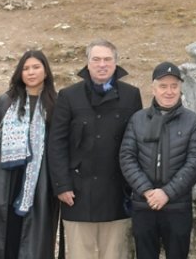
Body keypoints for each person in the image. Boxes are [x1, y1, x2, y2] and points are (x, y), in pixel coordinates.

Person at [47, 39, 142, 259]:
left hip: (117, 192)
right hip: (77, 192)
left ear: (116, 63)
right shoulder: (69, 95)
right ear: (87, 64)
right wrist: (62, 184)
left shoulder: (131, 95)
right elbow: (57, 143)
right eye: (96, 59)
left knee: (115, 253)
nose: (102, 64)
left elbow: (137, 142)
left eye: (107, 59)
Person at [119, 62, 196, 259]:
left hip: (177, 207)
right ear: (153, 88)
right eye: (163, 86)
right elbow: (127, 157)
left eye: (174, 86)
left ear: (180, 89)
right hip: (144, 205)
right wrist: (147, 191)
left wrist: (167, 193)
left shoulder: (192, 121)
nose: (169, 91)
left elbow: (194, 161)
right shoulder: (137, 119)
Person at [0, 50, 59, 259]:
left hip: (41, 184)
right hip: (7, 180)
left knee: (36, 245)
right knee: (7, 240)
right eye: (26, 68)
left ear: (46, 71)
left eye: (36, 67)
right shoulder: (5, 102)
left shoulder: (56, 103)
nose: (31, 72)